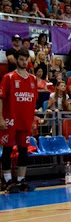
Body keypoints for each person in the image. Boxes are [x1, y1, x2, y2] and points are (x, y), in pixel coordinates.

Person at [0, 49, 37, 193]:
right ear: (16, 60)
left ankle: (21, 180)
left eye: (25, 59)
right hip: (10, 120)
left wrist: (33, 119)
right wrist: (1, 118)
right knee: (7, 149)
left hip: (25, 120)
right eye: (21, 59)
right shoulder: (8, 77)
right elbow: (1, 98)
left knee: (23, 150)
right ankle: (8, 181)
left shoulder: (33, 79)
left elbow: (33, 101)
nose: (23, 62)